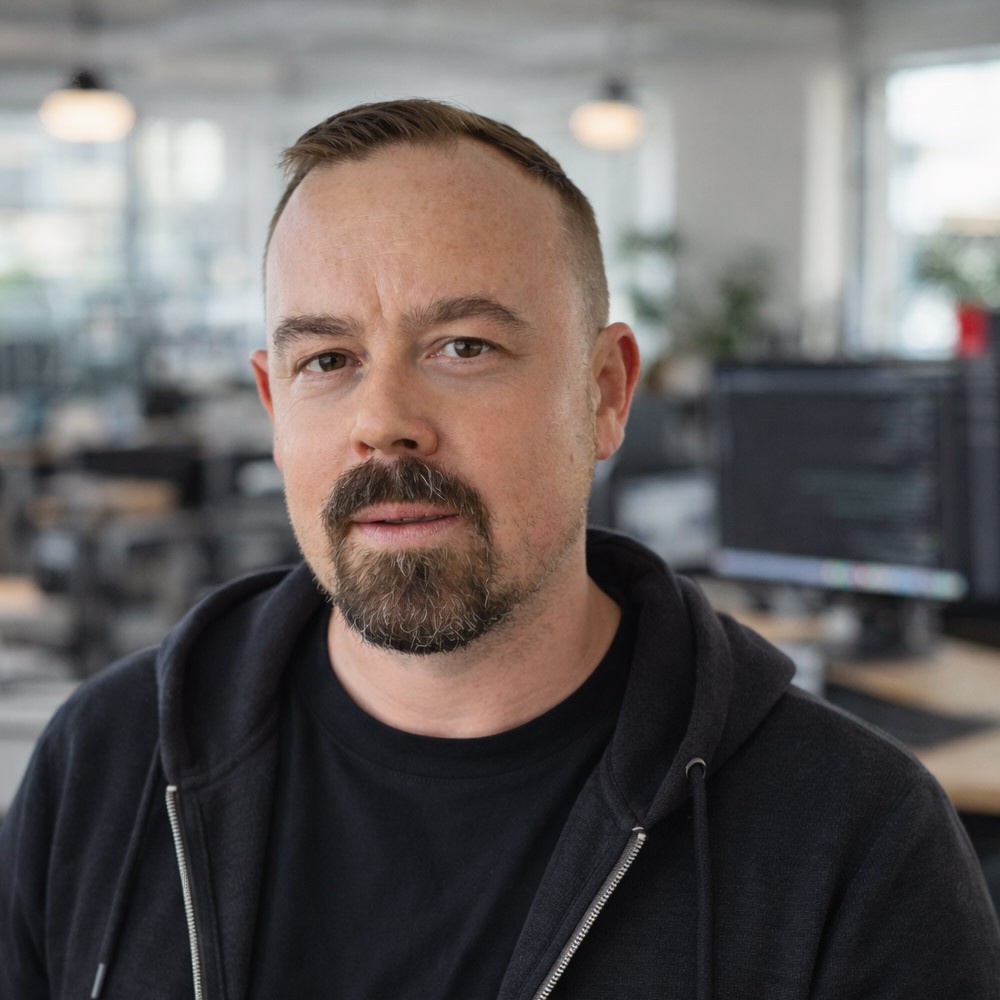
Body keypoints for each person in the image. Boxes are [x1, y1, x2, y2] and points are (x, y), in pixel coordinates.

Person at [1, 99, 998, 1000]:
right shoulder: (108, 762)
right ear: (272, 403)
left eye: (463, 347)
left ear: (604, 391)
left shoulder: (855, 841)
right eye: (328, 360)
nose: (382, 420)